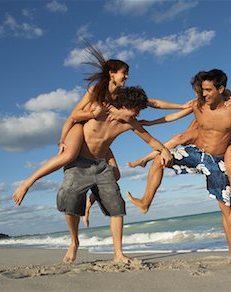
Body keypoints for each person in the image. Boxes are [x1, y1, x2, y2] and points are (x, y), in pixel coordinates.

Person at [12, 44, 189, 206]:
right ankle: (28, 183)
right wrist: (64, 139)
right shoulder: (96, 91)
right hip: (80, 126)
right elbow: (73, 116)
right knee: (69, 155)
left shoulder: (123, 96)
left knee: (115, 174)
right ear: (112, 73)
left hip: (100, 135)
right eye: (123, 73)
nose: (126, 76)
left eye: (127, 73)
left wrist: (181, 106)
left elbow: (152, 103)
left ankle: (91, 201)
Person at [18, 85, 173, 264]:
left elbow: (150, 140)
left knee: (116, 207)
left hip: (101, 165)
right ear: (124, 105)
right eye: (135, 110)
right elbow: (74, 116)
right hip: (78, 164)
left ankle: (118, 253)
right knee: (70, 202)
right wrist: (63, 139)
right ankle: (74, 241)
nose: (137, 114)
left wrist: (164, 150)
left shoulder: (130, 123)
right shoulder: (98, 110)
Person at [127, 69, 231, 255]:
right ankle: (145, 202)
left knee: (225, 208)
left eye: (208, 90)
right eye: (202, 89)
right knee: (161, 158)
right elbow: (171, 117)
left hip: (218, 161)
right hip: (197, 153)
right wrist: (149, 123)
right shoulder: (197, 105)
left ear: (221, 89)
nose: (203, 94)